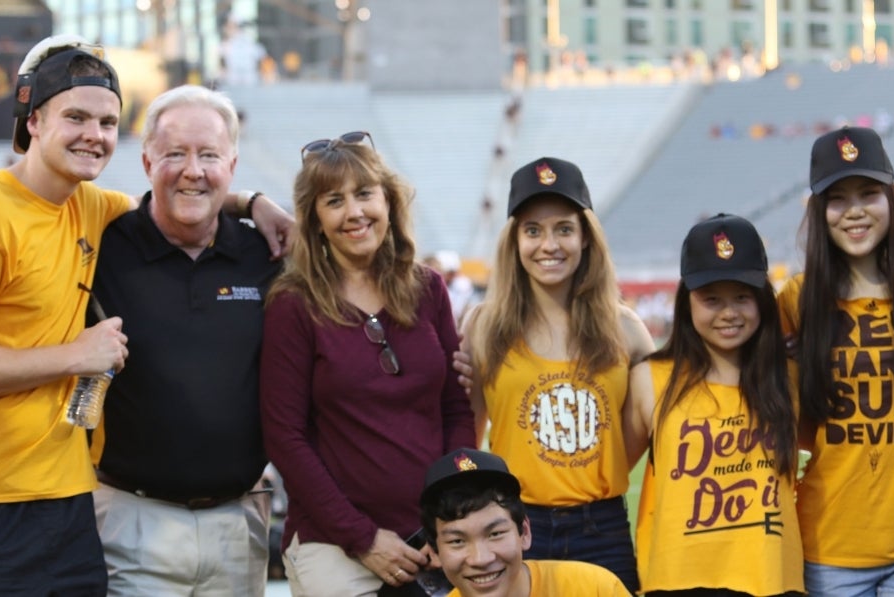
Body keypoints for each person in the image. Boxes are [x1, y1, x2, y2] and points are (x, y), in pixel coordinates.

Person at [0, 36, 291, 595]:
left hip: (64, 501)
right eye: (76, 117)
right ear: (33, 121)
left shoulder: (91, 206)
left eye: (108, 121)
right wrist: (75, 356)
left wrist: (253, 200)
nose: (94, 134)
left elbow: (180, 193)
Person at [259, 131, 475, 596]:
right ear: (315, 219)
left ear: (389, 201)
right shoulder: (293, 305)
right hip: (334, 545)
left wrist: (450, 518)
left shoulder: (429, 288)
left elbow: (455, 411)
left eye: (364, 194)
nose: (354, 213)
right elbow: (284, 437)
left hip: (432, 538)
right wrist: (361, 537)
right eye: (334, 200)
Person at [89, 85, 280, 595]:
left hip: (238, 523)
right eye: (175, 153)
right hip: (130, 519)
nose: (193, 170)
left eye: (209, 155)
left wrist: (257, 204)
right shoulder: (104, 243)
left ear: (233, 165)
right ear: (148, 160)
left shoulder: (266, 253)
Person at [778, 126, 894, 595]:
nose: (855, 210)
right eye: (837, 198)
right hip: (830, 542)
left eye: (868, 193)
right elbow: (795, 425)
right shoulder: (796, 301)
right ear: (817, 210)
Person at [461, 156, 655, 592]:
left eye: (563, 229)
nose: (549, 244)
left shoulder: (625, 329)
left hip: (602, 525)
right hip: (517, 526)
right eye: (533, 230)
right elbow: (466, 436)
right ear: (514, 242)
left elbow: (646, 422)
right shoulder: (483, 326)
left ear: (586, 237)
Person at [624, 213, 803, 596]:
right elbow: (610, 474)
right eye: (711, 299)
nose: (728, 312)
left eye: (742, 296)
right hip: (676, 580)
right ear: (686, 301)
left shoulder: (788, 376)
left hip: (770, 579)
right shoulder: (650, 379)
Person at [419, 448, 632, 597]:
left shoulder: (594, 589)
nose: (481, 559)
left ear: (525, 532)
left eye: (495, 534)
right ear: (435, 552)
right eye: (457, 541)